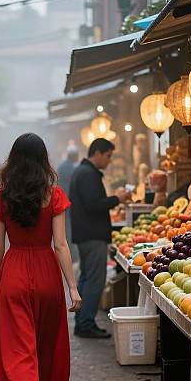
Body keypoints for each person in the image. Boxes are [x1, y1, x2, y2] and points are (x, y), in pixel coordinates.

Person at [0, 133, 81, 381]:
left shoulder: (1, 197)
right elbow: (61, 245)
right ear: (44, 160)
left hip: (13, 273)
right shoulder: (53, 196)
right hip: (46, 276)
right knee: (40, 343)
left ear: (12, 160)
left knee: (18, 347)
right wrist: (72, 287)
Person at [69, 138, 130, 339]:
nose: (109, 161)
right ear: (97, 153)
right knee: (94, 280)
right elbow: (93, 205)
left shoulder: (84, 172)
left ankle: (83, 322)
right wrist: (117, 199)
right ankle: (85, 323)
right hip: (92, 235)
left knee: (87, 279)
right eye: (108, 156)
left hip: (86, 235)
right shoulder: (87, 174)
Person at [57, 146, 79, 262]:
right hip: (69, 203)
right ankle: (72, 256)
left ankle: (67, 254)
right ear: (74, 156)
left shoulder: (61, 166)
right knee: (69, 229)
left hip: (61, 202)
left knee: (64, 229)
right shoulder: (72, 168)